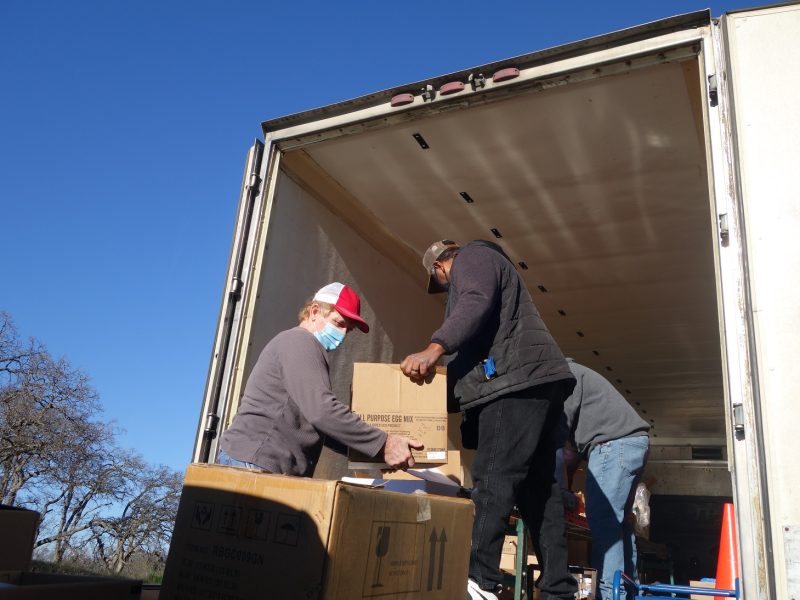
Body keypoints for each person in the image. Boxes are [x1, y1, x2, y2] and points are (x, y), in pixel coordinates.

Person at [400, 240, 578, 600]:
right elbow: (471, 358)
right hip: (536, 385)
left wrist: (434, 348)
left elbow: (474, 300)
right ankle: (558, 589)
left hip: (513, 386)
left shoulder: (474, 257)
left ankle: (479, 580)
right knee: (539, 490)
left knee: (494, 478)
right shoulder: (496, 279)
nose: (446, 289)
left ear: (440, 267)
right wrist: (434, 398)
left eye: (441, 282)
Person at [220, 282, 422, 477]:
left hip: (261, 465)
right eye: (339, 323)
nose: (342, 334)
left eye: (348, 329)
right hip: (253, 463)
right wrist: (384, 444)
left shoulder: (303, 347)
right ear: (314, 311)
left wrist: (375, 452)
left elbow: (321, 426)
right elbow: (322, 411)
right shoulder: (300, 341)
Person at [558, 359, 650, 600]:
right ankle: (628, 591)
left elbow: (557, 441)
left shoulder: (562, 377)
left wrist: (561, 489)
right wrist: (566, 487)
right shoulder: (576, 375)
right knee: (620, 523)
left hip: (613, 445)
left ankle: (610, 594)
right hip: (633, 444)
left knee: (603, 518)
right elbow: (570, 453)